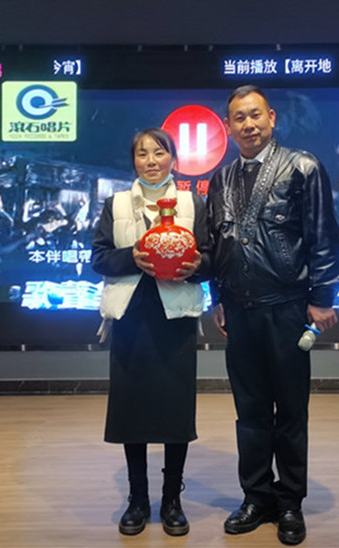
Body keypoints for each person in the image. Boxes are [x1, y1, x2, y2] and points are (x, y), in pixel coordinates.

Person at [206, 85, 339, 546]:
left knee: (290, 411)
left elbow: (323, 236)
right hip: (238, 310)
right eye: (238, 118)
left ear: (271, 119)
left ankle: (289, 503)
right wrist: (217, 297)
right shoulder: (221, 179)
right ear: (228, 127)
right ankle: (256, 497)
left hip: (286, 308)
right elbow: (216, 244)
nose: (248, 125)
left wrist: (323, 297)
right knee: (248, 412)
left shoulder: (303, 167)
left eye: (255, 115)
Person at [91, 128, 210, 537]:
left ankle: (172, 499)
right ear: (134, 162)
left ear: (173, 159)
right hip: (130, 319)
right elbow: (99, 258)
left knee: (175, 413)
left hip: (175, 317)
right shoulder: (117, 203)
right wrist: (133, 257)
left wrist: (197, 266)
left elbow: (211, 256)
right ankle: (138, 499)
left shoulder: (193, 203)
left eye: (159, 152)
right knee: (133, 413)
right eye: (142, 154)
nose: (151, 161)